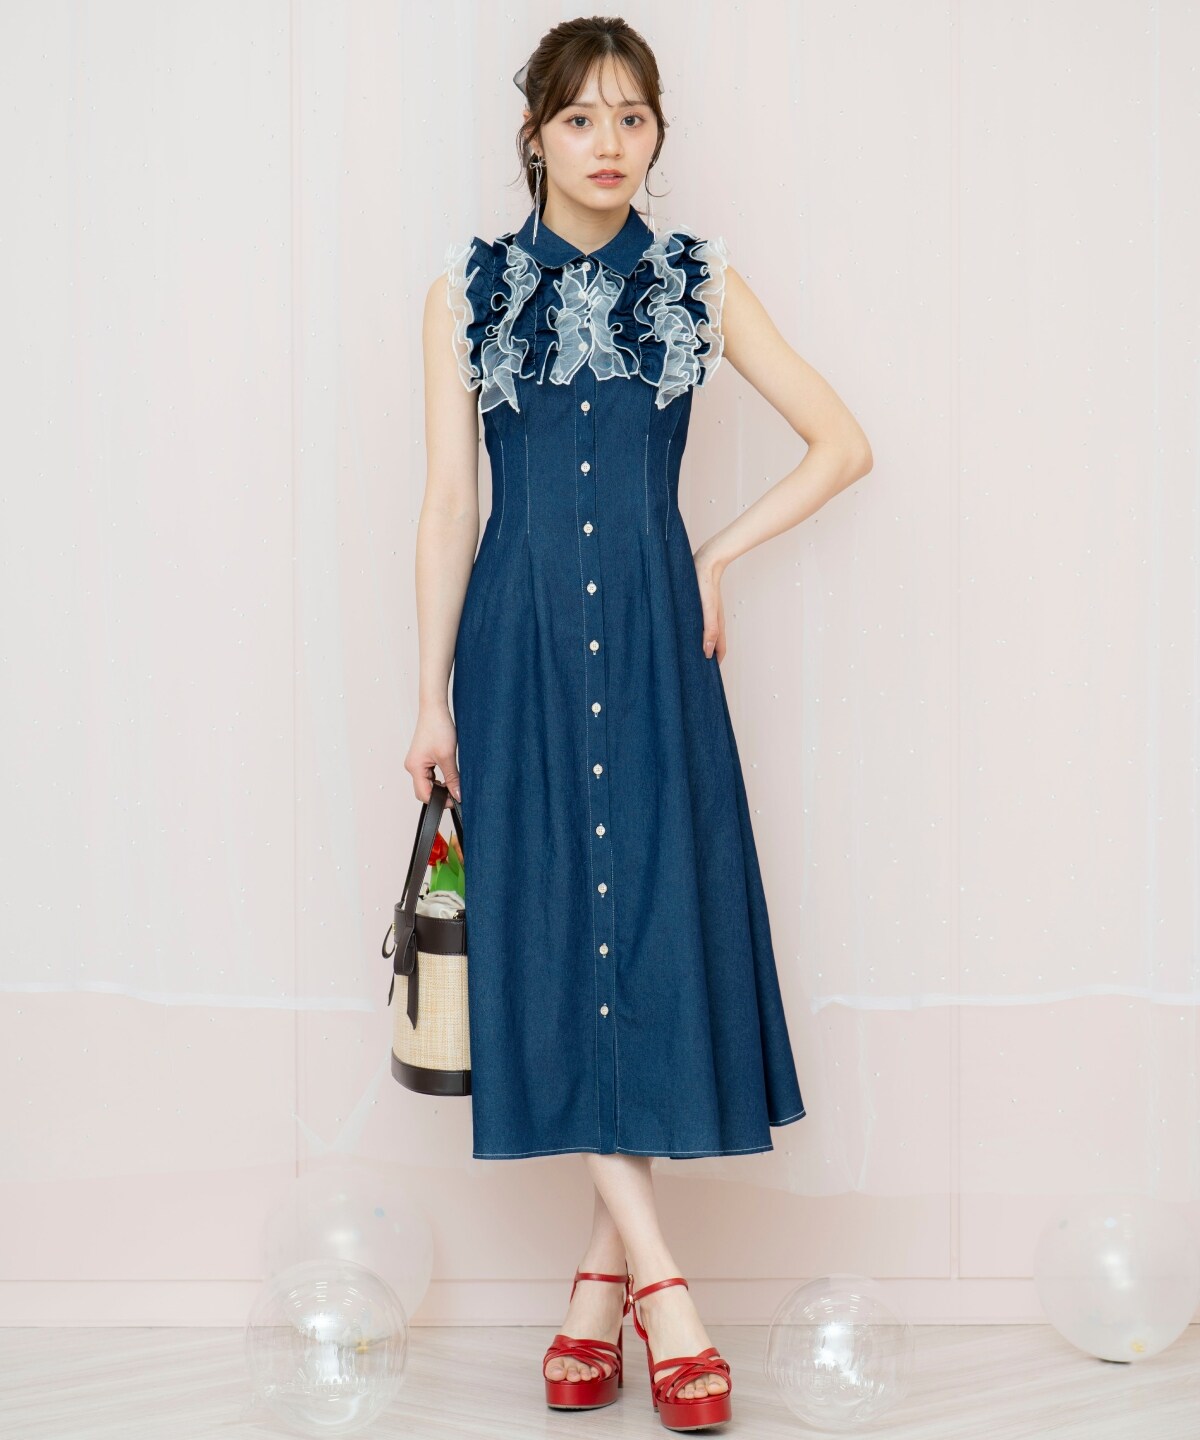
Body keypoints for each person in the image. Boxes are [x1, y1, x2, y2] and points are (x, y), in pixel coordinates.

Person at [405, 14, 872, 1431]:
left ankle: (601, 1290)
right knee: (555, 947)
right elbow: (449, 504)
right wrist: (427, 693)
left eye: (633, 117)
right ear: (534, 135)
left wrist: (715, 554)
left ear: (658, 133)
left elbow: (844, 443)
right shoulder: (468, 293)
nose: (609, 144)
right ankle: (665, 1291)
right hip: (518, 655)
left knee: (645, 940)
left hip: (661, 650)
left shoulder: (697, 283)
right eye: (581, 118)